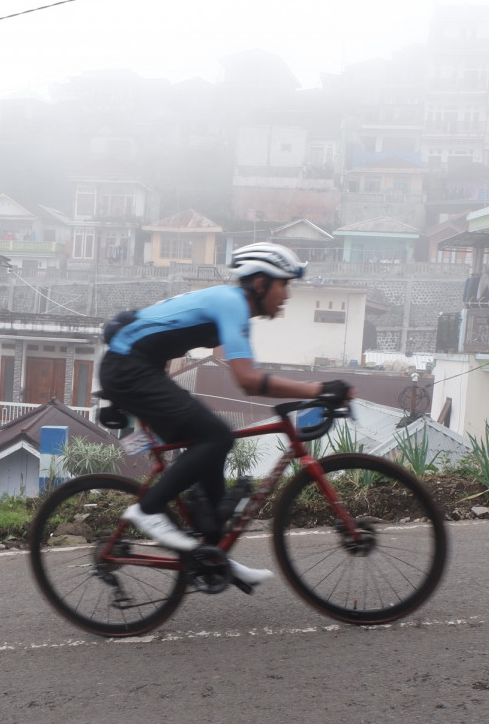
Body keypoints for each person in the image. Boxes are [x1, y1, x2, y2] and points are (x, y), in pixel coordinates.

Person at [97, 242, 352, 586]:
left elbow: (157, 332)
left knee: (210, 442)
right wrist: (319, 389)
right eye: (284, 285)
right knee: (217, 435)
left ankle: (213, 554)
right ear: (260, 283)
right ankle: (148, 509)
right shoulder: (232, 303)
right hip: (129, 369)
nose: (287, 295)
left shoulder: (231, 305)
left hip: (137, 368)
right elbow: (248, 381)